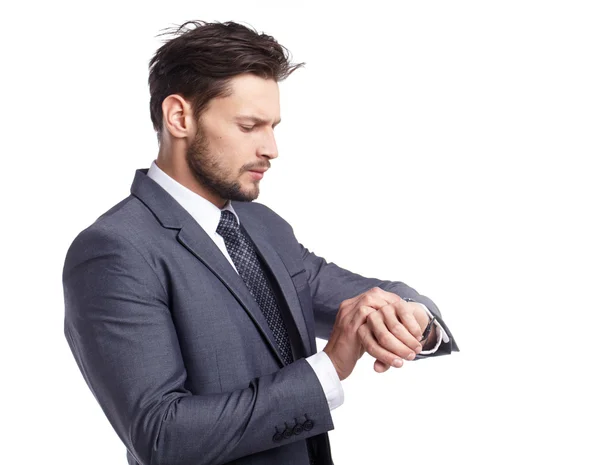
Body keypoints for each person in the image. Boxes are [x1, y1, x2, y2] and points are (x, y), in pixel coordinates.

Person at [63, 20, 459, 465]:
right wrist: (328, 369)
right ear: (179, 117)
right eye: (249, 126)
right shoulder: (114, 251)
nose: (272, 148)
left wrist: (410, 317)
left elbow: (365, 294)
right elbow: (161, 437)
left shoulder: (262, 225)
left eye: (273, 126)